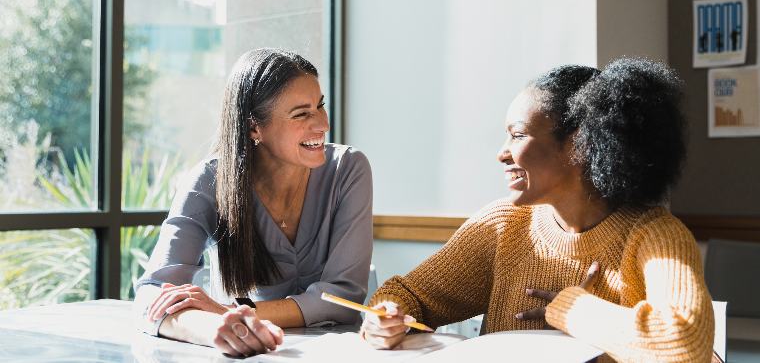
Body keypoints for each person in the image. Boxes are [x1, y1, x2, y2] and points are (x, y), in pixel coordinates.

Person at [361, 58, 715, 362]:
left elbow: (684, 346)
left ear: (579, 143)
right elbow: (410, 295)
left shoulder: (656, 235)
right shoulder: (502, 225)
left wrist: (571, 308)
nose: (502, 153)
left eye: (517, 135)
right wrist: (386, 318)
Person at [134, 48, 373, 357]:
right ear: (253, 127)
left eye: (320, 105)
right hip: (249, 354)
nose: (322, 124)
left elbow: (342, 299)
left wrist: (231, 312)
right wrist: (213, 329)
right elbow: (152, 296)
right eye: (302, 113)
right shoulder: (209, 181)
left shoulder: (348, 168)